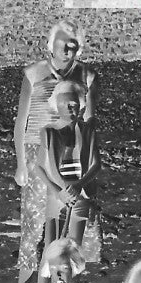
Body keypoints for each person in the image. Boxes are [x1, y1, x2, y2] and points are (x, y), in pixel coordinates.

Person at [12, 22, 97, 283]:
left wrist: (87, 174)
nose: (67, 49)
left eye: (73, 44)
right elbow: (20, 123)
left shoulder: (86, 75)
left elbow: (89, 124)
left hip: (73, 155)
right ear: (51, 44)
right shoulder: (33, 74)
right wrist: (21, 165)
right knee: (35, 227)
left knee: (72, 228)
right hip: (39, 150)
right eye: (63, 42)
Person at [38, 79, 101, 259]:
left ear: (80, 106)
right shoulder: (49, 133)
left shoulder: (88, 131)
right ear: (55, 106)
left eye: (73, 104)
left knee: (74, 250)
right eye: (63, 104)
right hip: (58, 197)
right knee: (51, 250)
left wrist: (79, 185)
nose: (68, 108)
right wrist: (59, 192)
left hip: (81, 196)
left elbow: (96, 165)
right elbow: (39, 168)